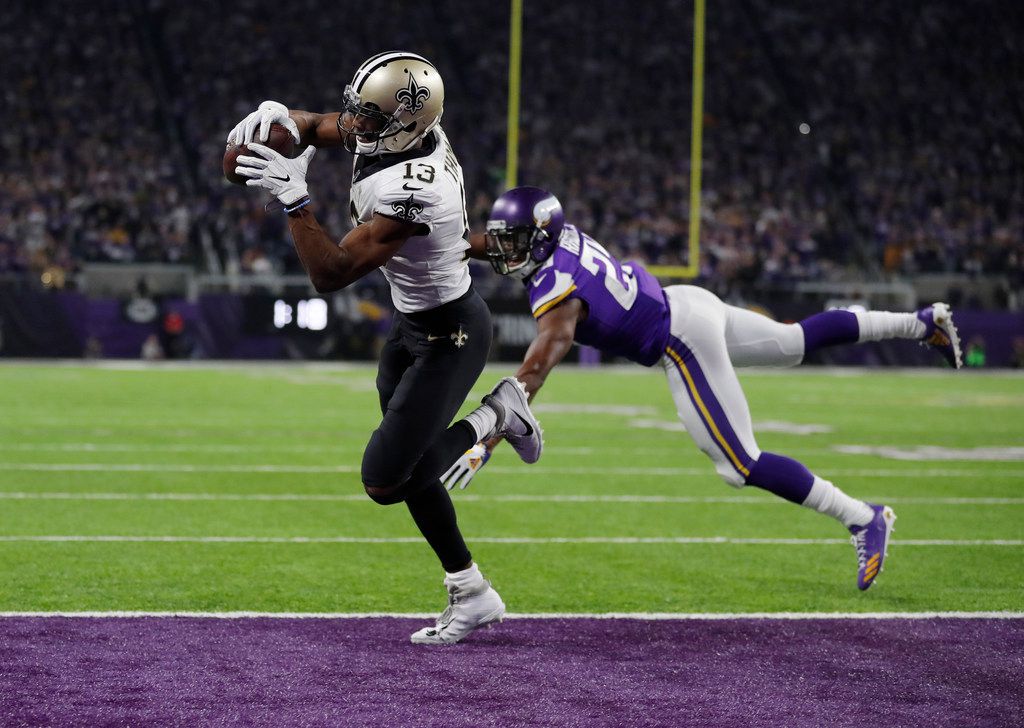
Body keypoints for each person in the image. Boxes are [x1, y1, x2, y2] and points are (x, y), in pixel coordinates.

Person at [445, 186, 964, 591]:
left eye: (513, 241)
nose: (503, 249)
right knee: (795, 340)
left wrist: (487, 437)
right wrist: (435, 239)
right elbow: (487, 241)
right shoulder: (559, 238)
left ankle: (863, 517)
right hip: (690, 303)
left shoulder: (554, 287)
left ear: (538, 238)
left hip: (681, 338)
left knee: (739, 464)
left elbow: (536, 369)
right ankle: (921, 323)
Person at [226, 52, 544, 644]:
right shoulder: (397, 126)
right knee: (412, 473)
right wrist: (278, 119)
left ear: (406, 122)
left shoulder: (414, 189)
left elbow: (331, 271)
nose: (355, 125)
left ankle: (499, 412)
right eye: (360, 110)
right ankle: (471, 591)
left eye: (369, 118)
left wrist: (297, 202)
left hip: (452, 333)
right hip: (411, 325)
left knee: (384, 480)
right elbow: (324, 125)